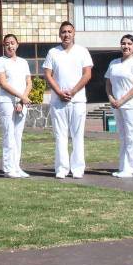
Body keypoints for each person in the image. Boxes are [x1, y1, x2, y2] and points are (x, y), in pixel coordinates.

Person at [43, 21, 93, 179]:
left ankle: (77, 169)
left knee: (77, 136)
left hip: (77, 100)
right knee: (60, 135)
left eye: (69, 31)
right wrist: (59, 92)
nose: (66, 35)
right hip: (58, 102)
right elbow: (48, 74)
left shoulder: (82, 51)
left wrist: (73, 91)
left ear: (74, 33)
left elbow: (87, 74)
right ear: (59, 34)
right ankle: (62, 168)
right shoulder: (53, 52)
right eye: (63, 32)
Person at [105, 34, 133, 178]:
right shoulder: (114, 63)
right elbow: (108, 84)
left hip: (132, 106)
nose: (126, 46)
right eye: (123, 43)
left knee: (132, 137)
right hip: (117, 106)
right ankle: (124, 166)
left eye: (129, 44)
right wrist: (111, 98)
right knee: (123, 136)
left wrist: (122, 100)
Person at [0, 33, 32, 178]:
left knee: (17, 135)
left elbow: (29, 83)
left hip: (22, 102)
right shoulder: (0, 61)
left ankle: (16, 167)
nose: (10, 46)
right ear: (4, 46)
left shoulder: (23, 62)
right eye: (7, 43)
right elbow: (3, 83)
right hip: (6, 101)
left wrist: (22, 101)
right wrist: (21, 97)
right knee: (8, 134)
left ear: (17, 44)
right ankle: (8, 168)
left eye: (12, 43)